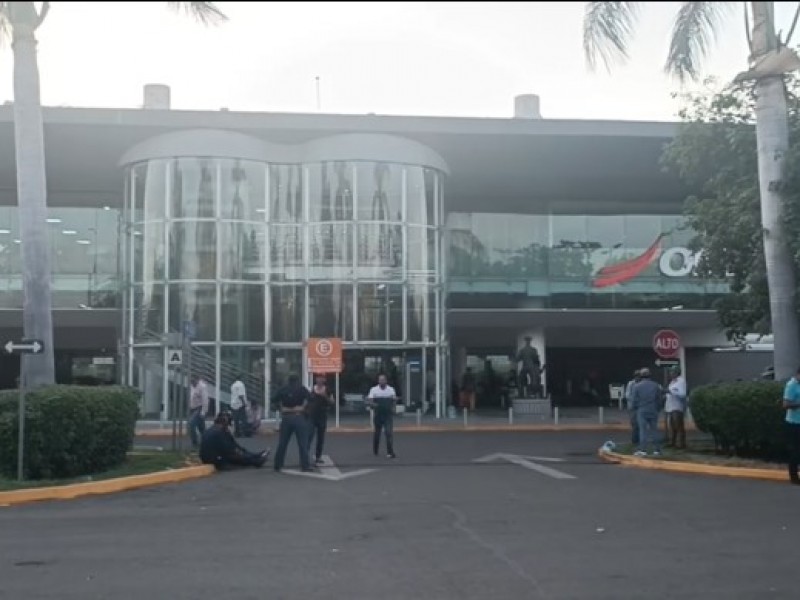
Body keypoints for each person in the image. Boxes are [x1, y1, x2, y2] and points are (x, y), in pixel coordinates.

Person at [199, 413, 269, 470]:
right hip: (215, 459)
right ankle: (256, 461)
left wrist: (243, 452)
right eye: (227, 425)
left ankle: (256, 456)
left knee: (239, 452)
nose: (228, 427)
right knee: (237, 456)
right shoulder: (220, 432)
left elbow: (233, 446)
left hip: (206, 458)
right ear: (224, 423)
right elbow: (229, 449)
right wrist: (241, 455)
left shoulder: (211, 429)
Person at [273, 374, 313, 473]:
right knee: (303, 443)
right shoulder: (301, 389)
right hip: (298, 415)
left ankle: (278, 464)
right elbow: (311, 399)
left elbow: (273, 399)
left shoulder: (283, 389)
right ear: (297, 380)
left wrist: (281, 408)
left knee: (283, 443)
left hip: (286, 416)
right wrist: (303, 407)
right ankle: (305, 465)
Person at [632, 368, 664, 457]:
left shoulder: (637, 386)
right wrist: (658, 408)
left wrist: (634, 408)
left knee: (643, 431)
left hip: (642, 410)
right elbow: (659, 399)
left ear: (641, 376)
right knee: (654, 430)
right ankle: (657, 450)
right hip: (653, 410)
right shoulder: (655, 385)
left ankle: (643, 450)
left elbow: (634, 400)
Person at [367, 373, 397, 459]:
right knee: (377, 433)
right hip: (378, 414)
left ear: (386, 381)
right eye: (380, 380)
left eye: (383, 380)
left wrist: (393, 407)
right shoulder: (374, 390)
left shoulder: (390, 389)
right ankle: (375, 449)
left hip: (387, 414)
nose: (382, 381)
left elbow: (394, 400)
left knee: (388, 433)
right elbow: (370, 401)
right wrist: (374, 405)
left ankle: (390, 452)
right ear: (378, 381)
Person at [307, 374, 334, 465]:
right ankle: (305, 455)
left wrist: (325, 396)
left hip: (322, 416)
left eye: (321, 378)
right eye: (318, 378)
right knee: (309, 435)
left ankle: (318, 456)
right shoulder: (311, 389)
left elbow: (332, 402)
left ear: (324, 380)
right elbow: (307, 401)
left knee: (320, 437)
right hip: (312, 416)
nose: (319, 380)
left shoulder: (327, 390)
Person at [782, 366, 800, 484]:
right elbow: (786, 404)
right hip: (794, 423)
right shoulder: (791, 385)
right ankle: (794, 477)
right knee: (796, 451)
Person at [665, 367, 687, 449]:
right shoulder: (671, 382)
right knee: (672, 426)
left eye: (672, 372)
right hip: (670, 406)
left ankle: (682, 444)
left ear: (677, 372)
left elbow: (682, 394)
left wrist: (671, 392)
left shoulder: (681, 382)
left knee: (679, 426)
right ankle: (673, 443)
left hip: (677, 407)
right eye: (670, 372)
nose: (671, 374)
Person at [188, 375, 209, 449]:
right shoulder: (191, 385)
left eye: (193, 380)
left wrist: (203, 412)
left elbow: (205, 400)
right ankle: (207, 442)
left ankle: (195, 443)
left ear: (197, 379)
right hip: (193, 408)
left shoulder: (202, 387)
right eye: (191, 380)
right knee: (201, 428)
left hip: (199, 408)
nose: (191, 382)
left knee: (191, 424)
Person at [623, 370, 641, 446]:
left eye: (639, 376)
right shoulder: (631, 384)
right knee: (634, 423)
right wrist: (633, 400)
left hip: (640, 406)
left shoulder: (641, 384)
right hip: (632, 406)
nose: (638, 378)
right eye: (637, 376)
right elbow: (627, 395)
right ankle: (634, 440)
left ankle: (639, 440)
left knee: (640, 423)